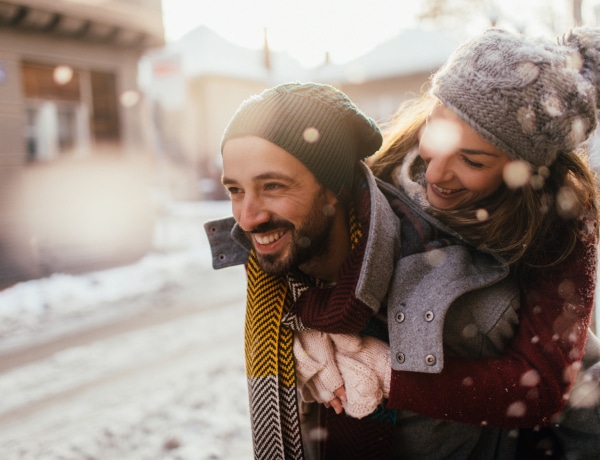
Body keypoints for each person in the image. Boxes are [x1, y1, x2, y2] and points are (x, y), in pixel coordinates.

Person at [204, 81, 402, 459]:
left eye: (273, 185)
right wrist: (303, 337)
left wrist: (410, 382)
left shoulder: (427, 286)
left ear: (335, 188)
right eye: (235, 190)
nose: (247, 218)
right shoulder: (274, 293)